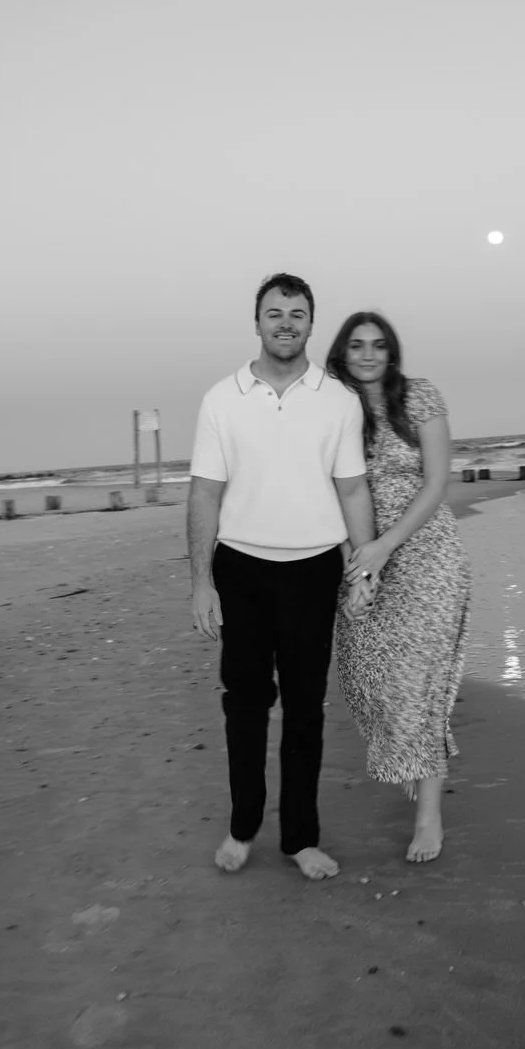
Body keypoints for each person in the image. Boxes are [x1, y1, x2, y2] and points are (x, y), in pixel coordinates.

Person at [187, 272, 378, 882]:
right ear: (258, 321)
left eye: (297, 313)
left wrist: (365, 564)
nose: (286, 323)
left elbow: (351, 487)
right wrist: (200, 582)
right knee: (244, 705)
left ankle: (300, 838)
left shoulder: (338, 401)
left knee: (305, 709)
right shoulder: (222, 399)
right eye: (275, 313)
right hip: (240, 567)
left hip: (314, 570)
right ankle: (244, 828)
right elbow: (204, 493)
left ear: (312, 323)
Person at [326, 310, 472, 863]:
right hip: (356, 550)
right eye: (357, 345)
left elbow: (437, 482)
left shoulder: (420, 397)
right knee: (369, 677)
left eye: (379, 345)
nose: (368, 354)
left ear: (392, 352)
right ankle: (413, 756)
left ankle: (429, 814)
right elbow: (330, 492)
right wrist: (358, 562)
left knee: (419, 686)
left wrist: (386, 547)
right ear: (342, 352)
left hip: (427, 553)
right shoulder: (331, 409)